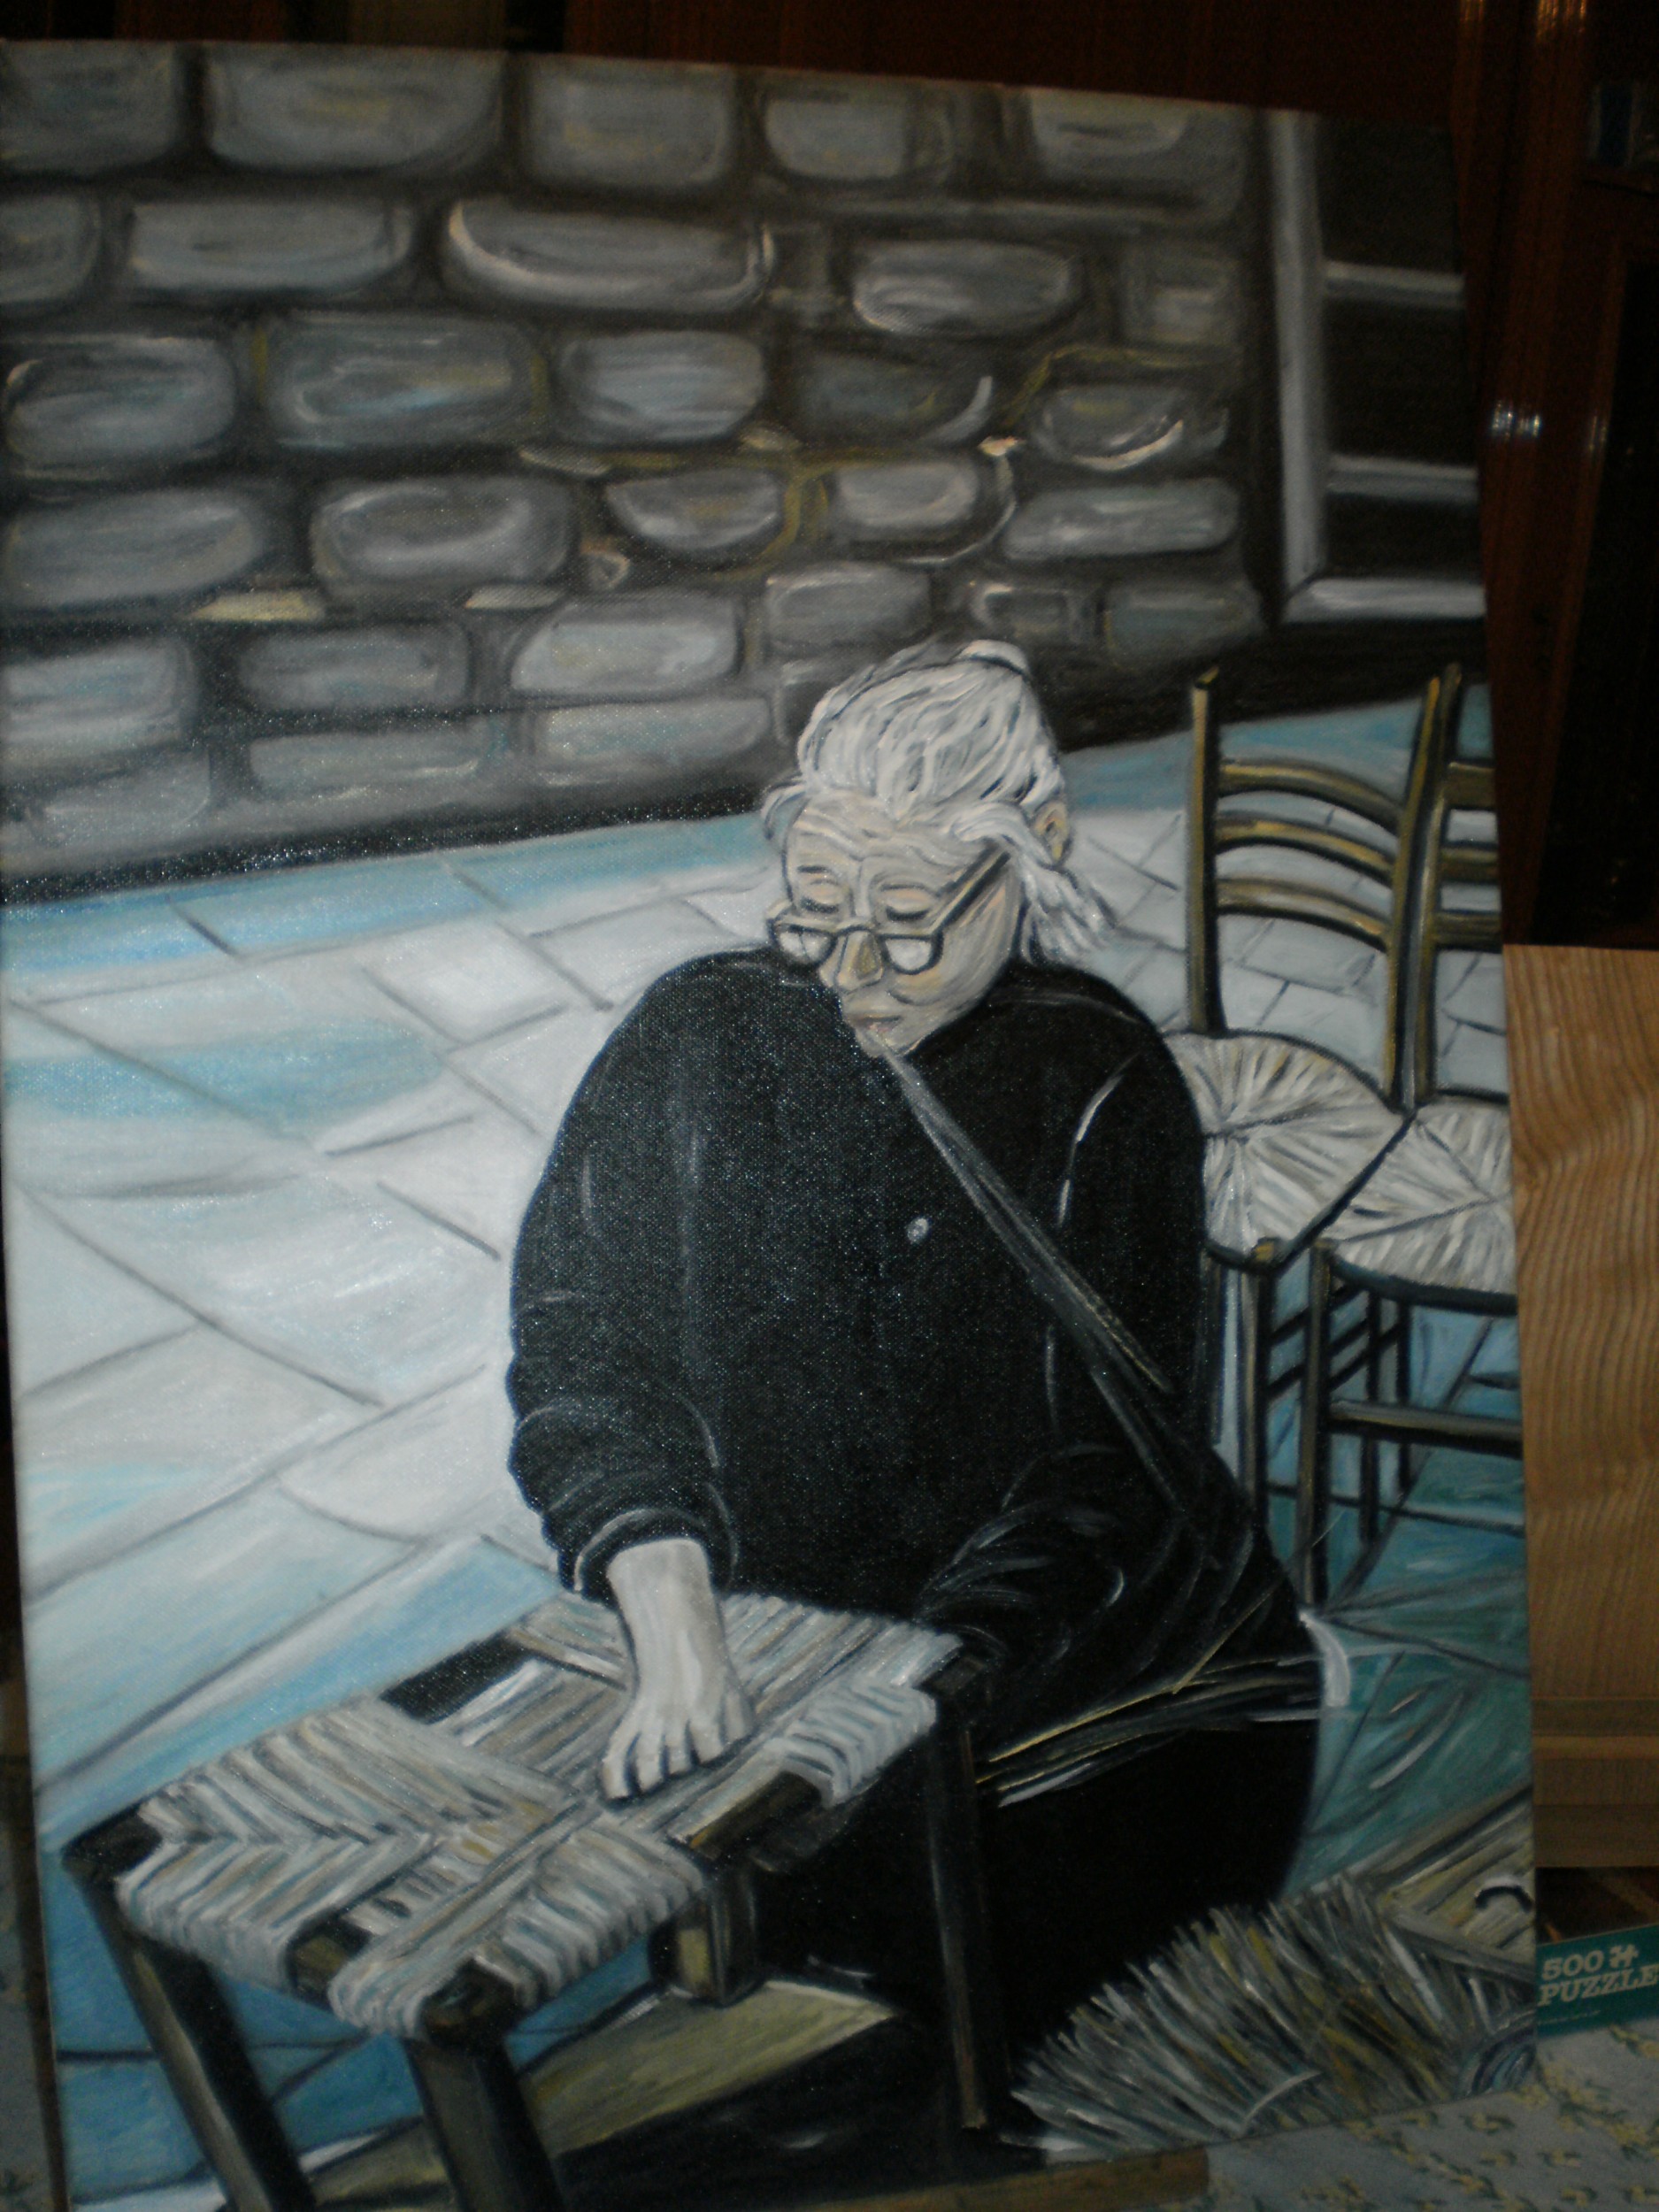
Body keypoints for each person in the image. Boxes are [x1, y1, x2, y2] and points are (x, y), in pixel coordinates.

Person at [507, 637, 1318, 2047]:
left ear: (1031, 852)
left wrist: (898, 1693)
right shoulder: (697, 1036)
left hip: (1078, 1710)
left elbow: (1105, 1474)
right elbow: (582, 1346)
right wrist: (672, 1609)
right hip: (772, 1686)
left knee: (961, 2043)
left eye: (909, 923)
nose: (854, 974)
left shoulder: (1096, 1077)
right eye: (817, 912)